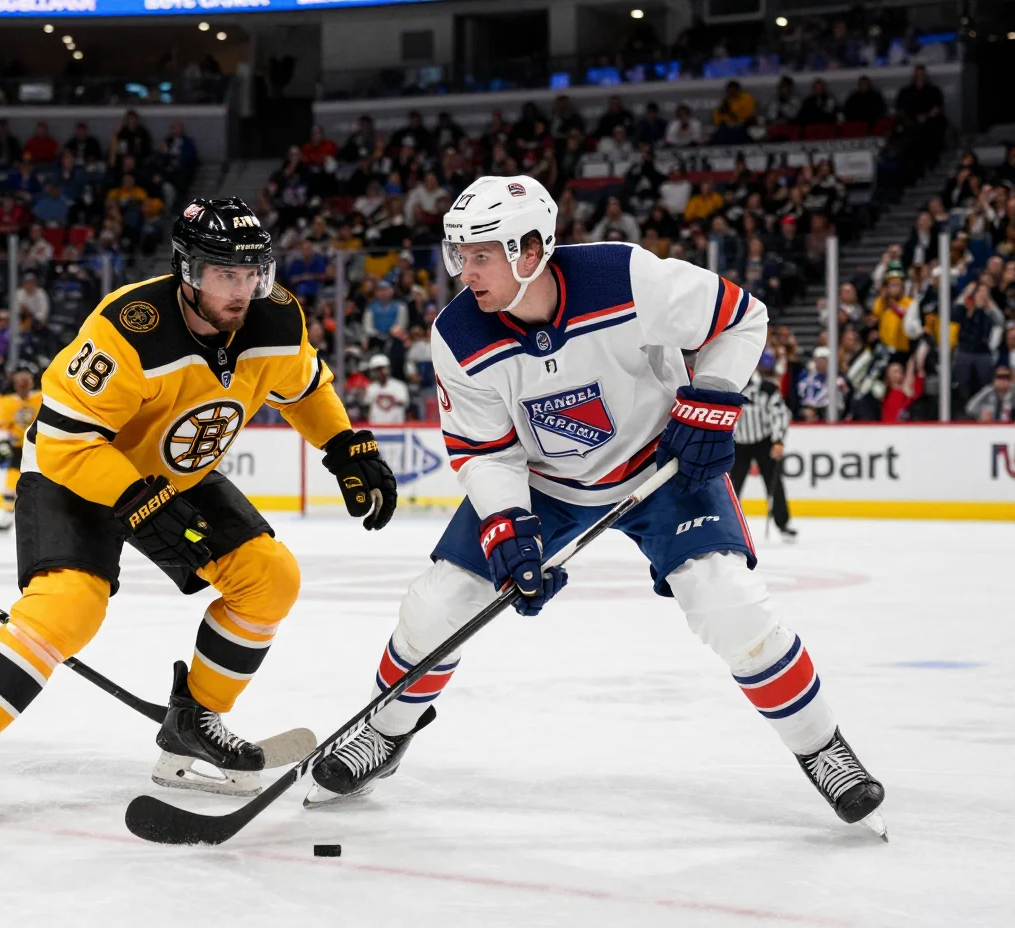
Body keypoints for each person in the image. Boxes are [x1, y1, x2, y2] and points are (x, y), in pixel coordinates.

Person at [305, 175, 886, 839]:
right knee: (439, 603)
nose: (465, 271)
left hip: (662, 464)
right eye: (458, 254)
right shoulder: (457, 334)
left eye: (481, 255)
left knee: (727, 600)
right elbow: (486, 451)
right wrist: (508, 528)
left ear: (531, 250)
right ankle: (384, 731)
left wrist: (714, 394)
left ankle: (820, 746)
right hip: (547, 485)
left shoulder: (626, 276)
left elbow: (740, 318)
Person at [0, 197, 399, 826]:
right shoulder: (130, 327)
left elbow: (306, 385)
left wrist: (346, 444)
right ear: (187, 270)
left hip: (171, 476)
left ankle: (191, 724)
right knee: (69, 609)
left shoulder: (275, 317)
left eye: (252, 272)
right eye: (225, 274)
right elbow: (68, 438)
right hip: (75, 471)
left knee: (270, 579)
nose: (244, 290)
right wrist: (138, 500)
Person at [730, 351, 794, 539]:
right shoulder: (733, 387)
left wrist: (778, 440)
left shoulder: (768, 388)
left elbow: (780, 414)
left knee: (774, 483)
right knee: (732, 486)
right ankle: (729, 525)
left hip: (764, 442)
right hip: (739, 444)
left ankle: (783, 523)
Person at [0, 366, 42, 532]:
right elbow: (4, 428)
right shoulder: (5, 402)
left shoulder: (43, 397)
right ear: (14, 383)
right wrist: (4, 444)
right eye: (19, 381)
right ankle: (6, 516)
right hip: (19, 449)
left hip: (41, 448)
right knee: (12, 481)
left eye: (25, 380)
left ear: (32, 381)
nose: (22, 384)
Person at [362, 354, 409, 426]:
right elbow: (366, 408)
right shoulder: (370, 388)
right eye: (377, 370)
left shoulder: (399, 386)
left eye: (382, 369)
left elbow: (404, 404)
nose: (380, 372)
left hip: (396, 428)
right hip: (376, 428)